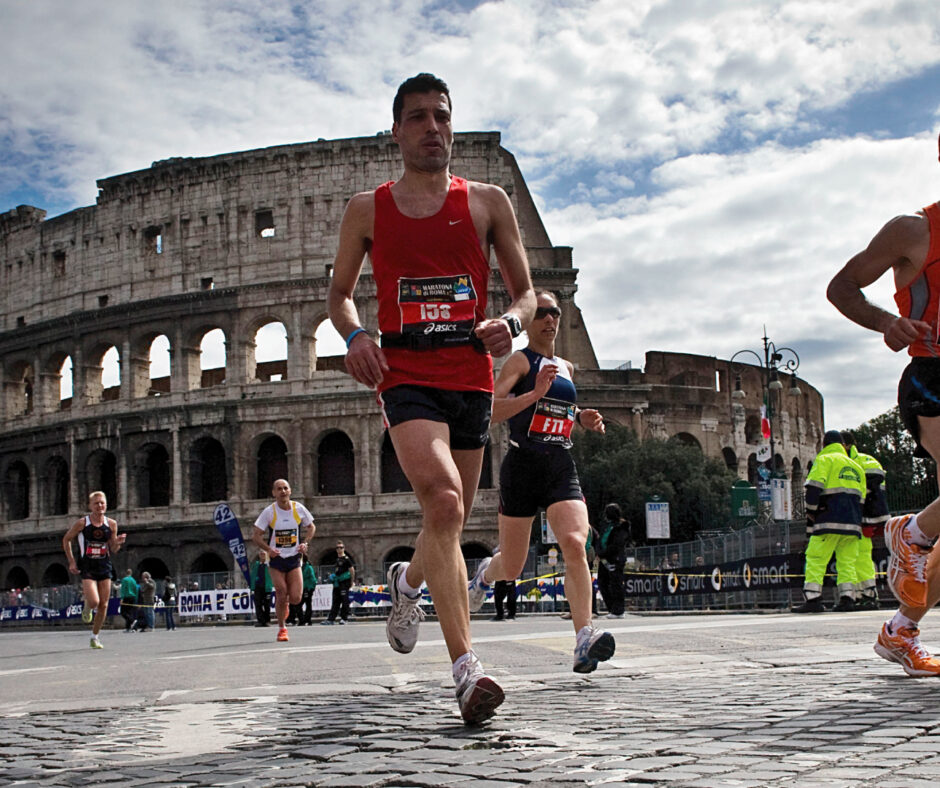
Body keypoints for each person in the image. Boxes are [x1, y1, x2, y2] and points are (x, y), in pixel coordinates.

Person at [327, 72, 535, 724]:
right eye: (417, 117)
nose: (432, 127)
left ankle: (407, 583)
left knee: (448, 521)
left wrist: (514, 324)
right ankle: (466, 671)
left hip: (470, 379)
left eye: (441, 116)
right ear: (397, 130)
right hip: (406, 378)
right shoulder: (368, 208)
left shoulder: (487, 202)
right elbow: (336, 297)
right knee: (444, 501)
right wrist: (357, 333)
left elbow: (528, 294)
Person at [828, 137, 940, 673]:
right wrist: (886, 322)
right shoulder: (913, 230)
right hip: (933, 379)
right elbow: (842, 287)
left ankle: (901, 629)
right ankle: (911, 533)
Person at [467, 290, 615, 674]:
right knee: (513, 567)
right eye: (542, 313)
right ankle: (485, 573)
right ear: (529, 321)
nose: (550, 320)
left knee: (574, 542)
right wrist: (533, 393)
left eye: (555, 313)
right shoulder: (520, 360)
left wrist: (581, 417)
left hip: (560, 465)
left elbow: (561, 407)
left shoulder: (567, 366)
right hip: (522, 466)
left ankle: (584, 636)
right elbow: (490, 411)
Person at [793, 430, 866, 613]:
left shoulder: (824, 460)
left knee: (816, 558)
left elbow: (813, 488)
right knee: (847, 562)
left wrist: (811, 511)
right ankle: (848, 598)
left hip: (828, 521)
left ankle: (813, 598)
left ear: (824, 445)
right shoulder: (856, 467)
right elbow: (862, 498)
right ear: (843, 445)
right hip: (853, 523)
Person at [251, 479, 316, 642]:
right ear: (274, 493)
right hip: (277, 558)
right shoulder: (269, 512)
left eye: (285, 488)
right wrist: (268, 550)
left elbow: (311, 527)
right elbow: (256, 535)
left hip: (294, 557)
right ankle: (282, 628)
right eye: (279, 489)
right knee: (280, 591)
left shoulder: (298, 508)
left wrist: (305, 543)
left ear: (290, 491)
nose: (283, 491)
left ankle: (286, 604)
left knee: (295, 598)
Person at [62, 491, 126, 649]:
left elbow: (114, 549)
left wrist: (118, 542)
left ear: (106, 504)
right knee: (94, 601)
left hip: (104, 566)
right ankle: (87, 607)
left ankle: (95, 637)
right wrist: (71, 562)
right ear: (90, 506)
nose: (100, 505)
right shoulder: (82, 523)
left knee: (104, 605)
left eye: (102, 502)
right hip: (87, 566)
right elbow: (66, 539)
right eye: (96, 503)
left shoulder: (111, 524)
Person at [841, 430, 890, 610]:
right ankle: (865, 593)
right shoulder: (868, 459)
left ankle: (867, 594)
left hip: (862, 517)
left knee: (858, 556)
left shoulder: (852, 463)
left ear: (845, 445)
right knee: (861, 555)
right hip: (873, 515)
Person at [596, 504, 629, 618]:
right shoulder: (606, 526)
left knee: (616, 584)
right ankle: (612, 608)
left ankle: (619, 610)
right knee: (602, 582)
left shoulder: (622, 526)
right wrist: (599, 551)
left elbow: (617, 544)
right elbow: (600, 539)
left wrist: (603, 553)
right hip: (604, 559)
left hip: (615, 559)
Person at [323, 541, 355, 625]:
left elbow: (352, 570)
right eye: (337, 548)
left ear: (344, 548)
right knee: (336, 601)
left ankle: (344, 618)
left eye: (341, 547)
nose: (339, 549)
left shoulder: (346, 559)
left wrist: (352, 581)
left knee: (345, 601)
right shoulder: (337, 559)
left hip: (344, 582)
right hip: (337, 583)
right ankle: (331, 619)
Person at [251, 552, 272, 627]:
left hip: (267, 587)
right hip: (258, 587)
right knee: (258, 604)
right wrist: (252, 587)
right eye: (261, 554)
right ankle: (260, 620)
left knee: (267, 605)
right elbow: (253, 575)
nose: (262, 555)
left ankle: (267, 620)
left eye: (264, 554)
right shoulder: (256, 565)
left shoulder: (269, 564)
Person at [119, 568, 138, 633]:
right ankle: (128, 627)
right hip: (132, 597)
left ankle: (132, 621)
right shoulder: (133, 580)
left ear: (126, 573)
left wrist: (122, 598)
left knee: (123, 612)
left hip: (126, 597)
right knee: (129, 612)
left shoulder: (124, 580)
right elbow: (136, 589)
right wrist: (136, 597)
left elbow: (123, 589)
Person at [300, 556, 317, 625]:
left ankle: (306, 620)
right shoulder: (300, 567)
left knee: (307, 604)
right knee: (300, 604)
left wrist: (311, 588)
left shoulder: (308, 567)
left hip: (307, 588)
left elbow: (313, 579)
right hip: (302, 588)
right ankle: (304, 620)